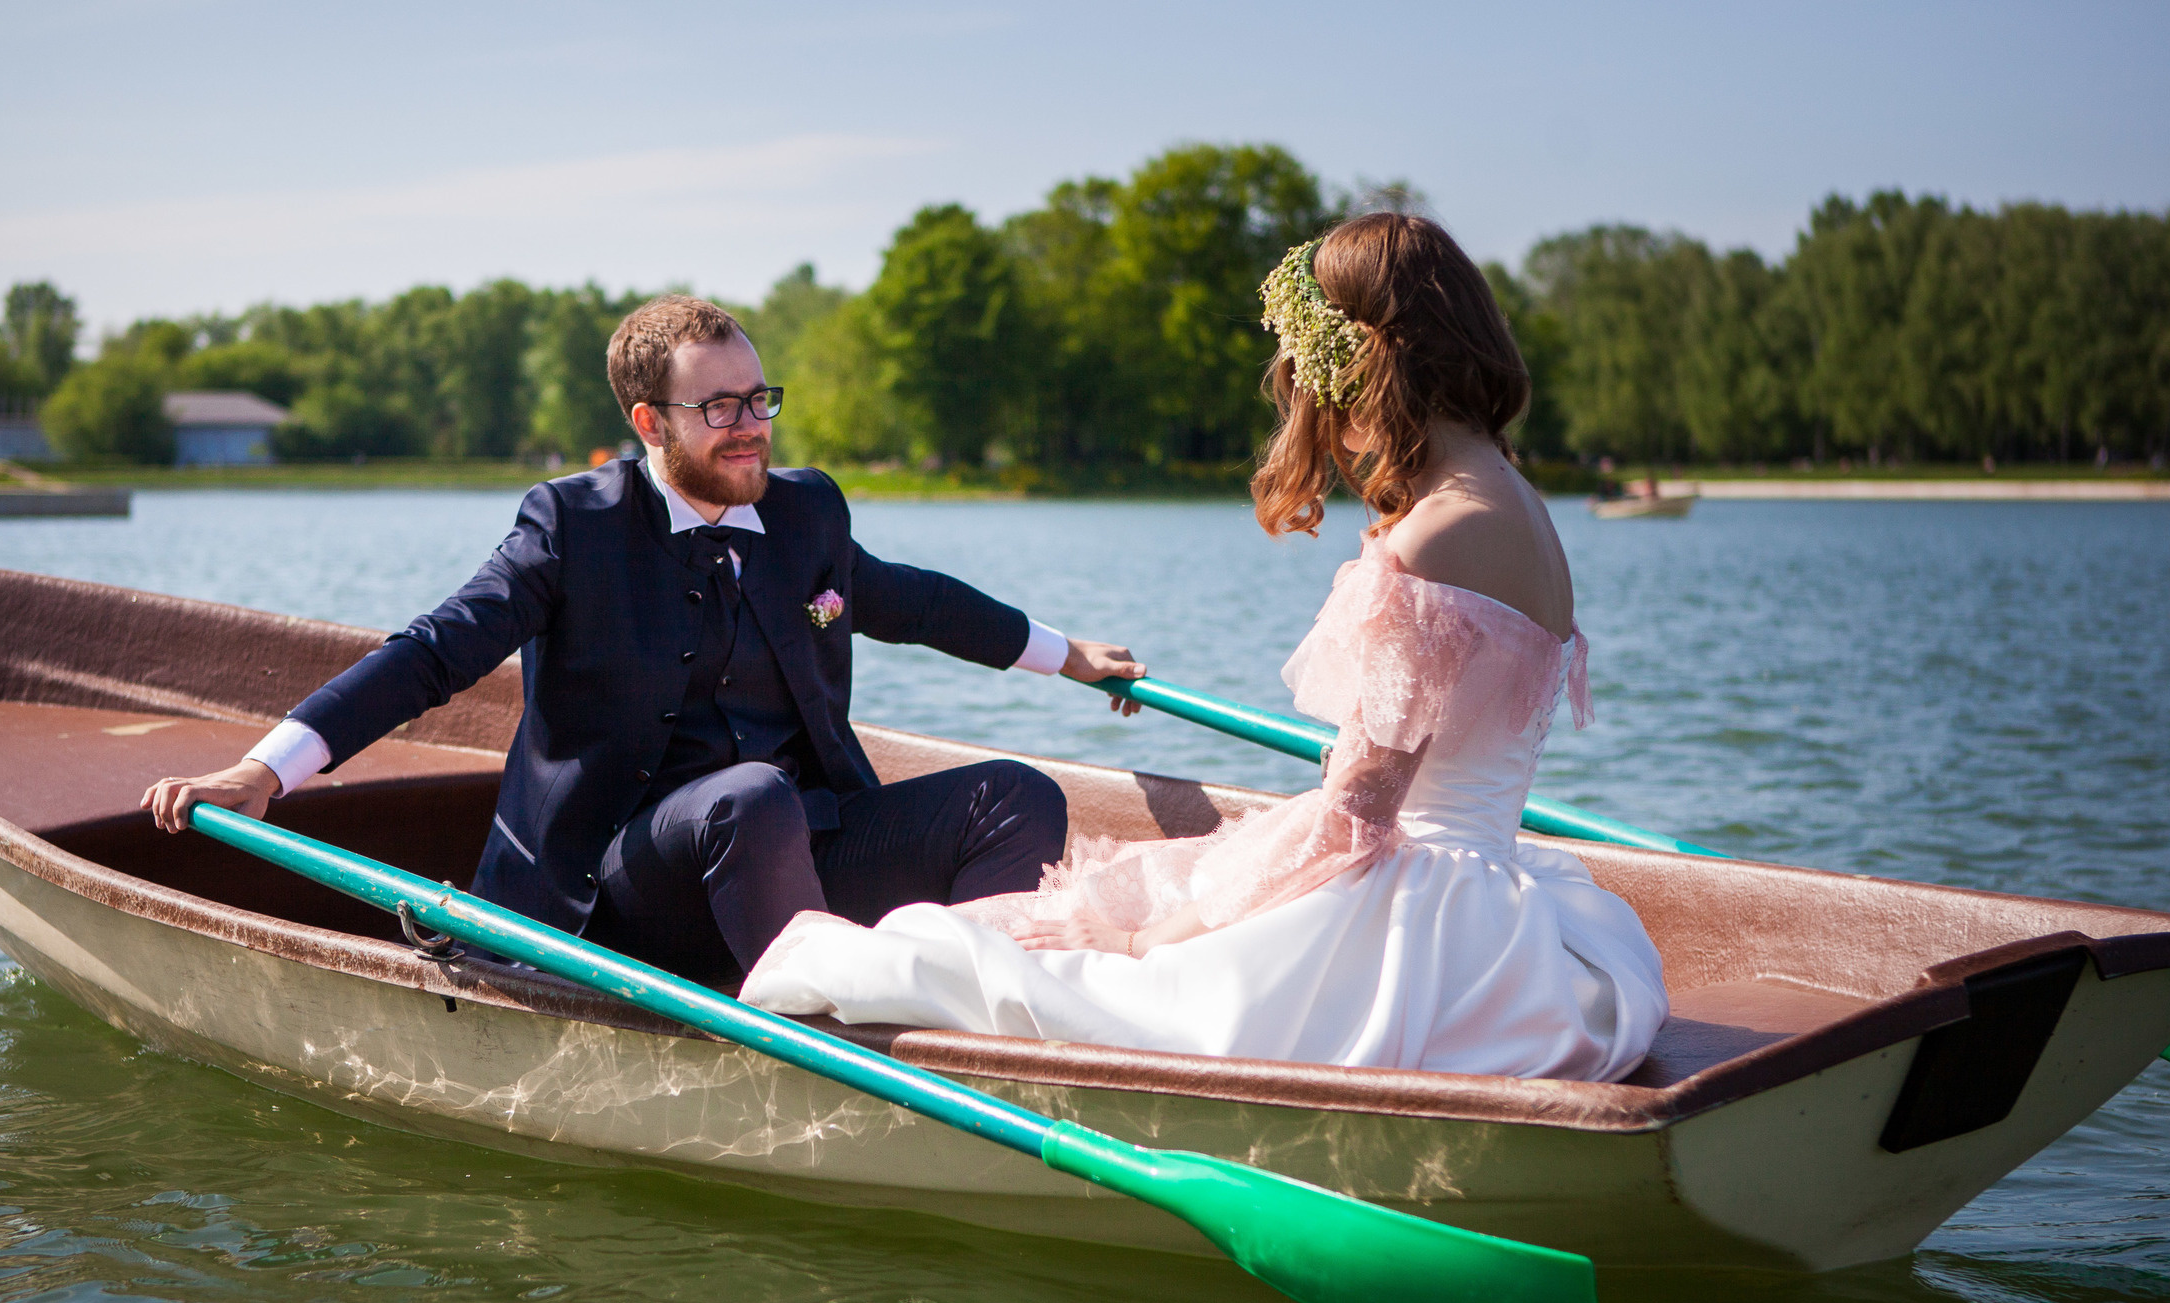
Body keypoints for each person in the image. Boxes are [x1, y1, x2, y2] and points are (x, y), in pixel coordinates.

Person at [740, 215, 1670, 1082]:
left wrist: (1182, 926)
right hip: (1504, 901)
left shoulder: (1437, 531)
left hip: (1420, 917)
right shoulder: (1520, 501)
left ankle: (791, 1000)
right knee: (1101, 925)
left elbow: (1360, 812)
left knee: (1084, 965)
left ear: (1358, 361)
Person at [142, 295, 1146, 983]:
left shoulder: (806, 515)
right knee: (747, 801)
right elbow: (431, 653)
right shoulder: (571, 527)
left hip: (795, 851)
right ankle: (810, 1024)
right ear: (649, 422)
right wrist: (263, 773)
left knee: (1014, 795)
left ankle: (970, 1021)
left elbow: (909, 601)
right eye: (719, 407)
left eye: (760, 399)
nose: (751, 425)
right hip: (616, 886)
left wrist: (1066, 654)